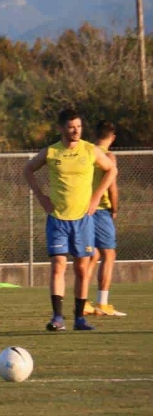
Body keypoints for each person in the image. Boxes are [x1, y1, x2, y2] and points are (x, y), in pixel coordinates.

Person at [24, 109, 116, 332]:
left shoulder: (90, 150)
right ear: (61, 129)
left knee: (82, 270)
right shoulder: (51, 152)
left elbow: (111, 170)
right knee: (58, 265)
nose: (76, 131)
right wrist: (41, 196)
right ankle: (57, 317)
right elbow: (28, 169)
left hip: (83, 219)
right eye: (71, 126)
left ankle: (79, 319)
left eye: (79, 126)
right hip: (57, 219)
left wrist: (96, 197)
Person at [85, 121, 125, 317]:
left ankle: (82, 302)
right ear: (113, 137)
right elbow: (112, 186)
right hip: (100, 209)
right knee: (108, 254)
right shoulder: (108, 156)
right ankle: (102, 302)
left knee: (92, 255)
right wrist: (115, 208)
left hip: (83, 209)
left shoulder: (87, 151)